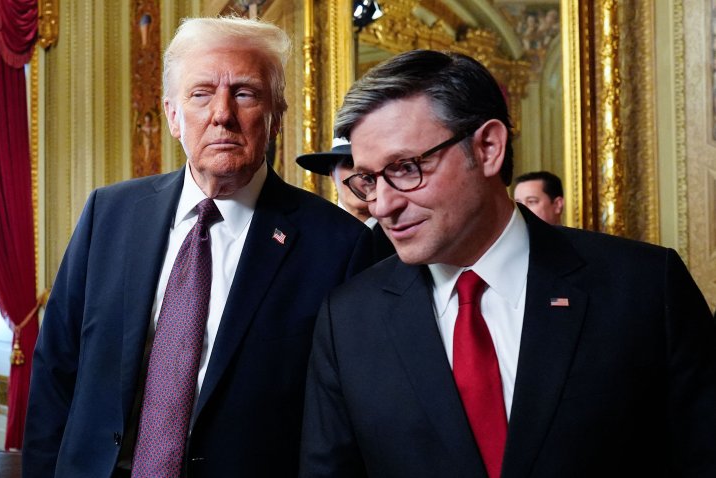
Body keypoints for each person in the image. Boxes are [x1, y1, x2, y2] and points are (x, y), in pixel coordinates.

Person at [300, 49, 716, 477]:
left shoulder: (644, 288)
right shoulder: (348, 321)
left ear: (488, 148)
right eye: (367, 180)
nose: (382, 205)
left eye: (405, 168)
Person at [23, 17, 373, 478]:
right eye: (201, 93)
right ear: (173, 115)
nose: (222, 114)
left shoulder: (339, 245)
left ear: (276, 117)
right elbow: (56, 370)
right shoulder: (109, 214)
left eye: (245, 93)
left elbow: (345, 422)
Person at [297, 138, 396, 261]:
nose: (361, 176)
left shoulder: (404, 237)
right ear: (333, 174)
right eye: (349, 163)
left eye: (368, 164)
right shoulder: (309, 235)